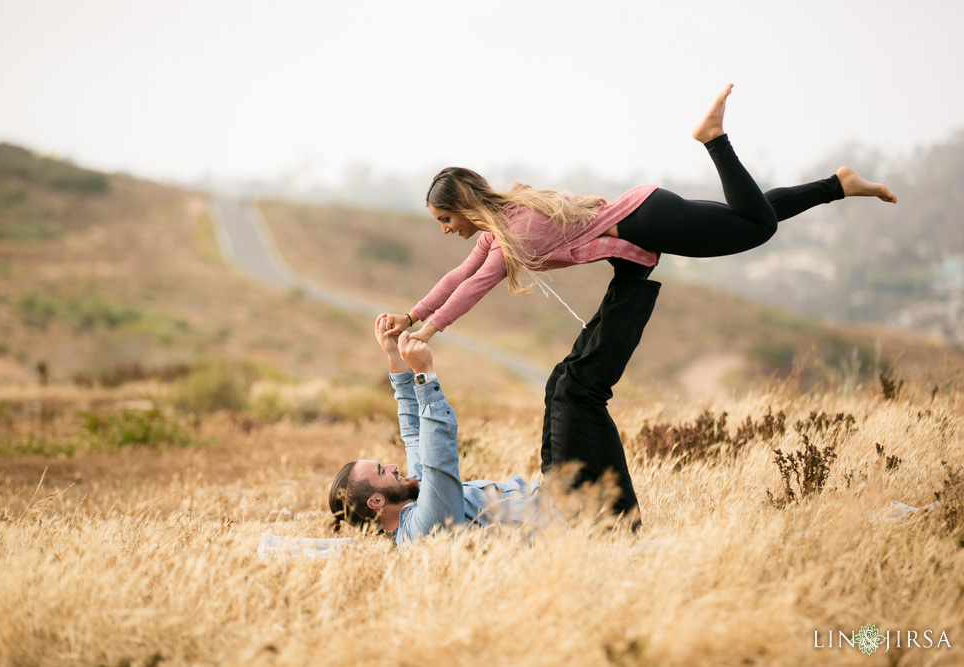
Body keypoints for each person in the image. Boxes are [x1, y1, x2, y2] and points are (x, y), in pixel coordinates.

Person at [379, 83, 898, 522]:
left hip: (647, 220)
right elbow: (459, 275)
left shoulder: (512, 230)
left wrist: (430, 332)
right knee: (744, 215)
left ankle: (714, 140)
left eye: (445, 220)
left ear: (461, 207)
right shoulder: (498, 228)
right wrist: (413, 315)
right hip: (643, 225)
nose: (447, 231)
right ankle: (838, 185)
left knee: (754, 227)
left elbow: (475, 286)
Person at [328, 314, 564, 546]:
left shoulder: (417, 502)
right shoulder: (422, 528)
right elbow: (438, 459)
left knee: (561, 387)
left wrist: (393, 357)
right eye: (382, 471)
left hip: (557, 494)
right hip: (569, 518)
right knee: (570, 389)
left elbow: (414, 436)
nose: (393, 466)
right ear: (377, 501)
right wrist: (424, 374)